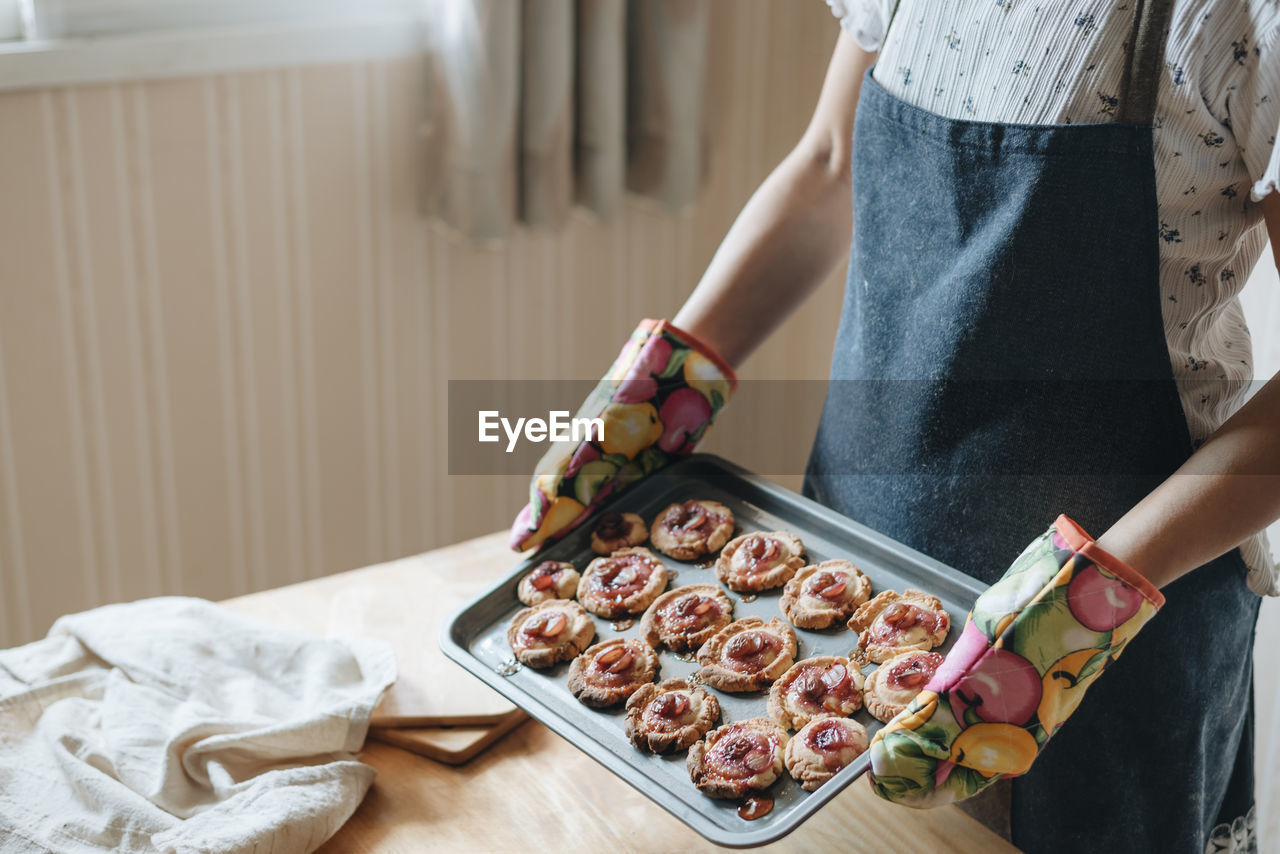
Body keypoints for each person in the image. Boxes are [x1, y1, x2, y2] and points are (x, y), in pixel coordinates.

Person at [509, 2, 1280, 851]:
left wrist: (1071, 618)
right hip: (846, 581)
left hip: (1109, 645)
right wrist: (653, 396)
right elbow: (832, 163)